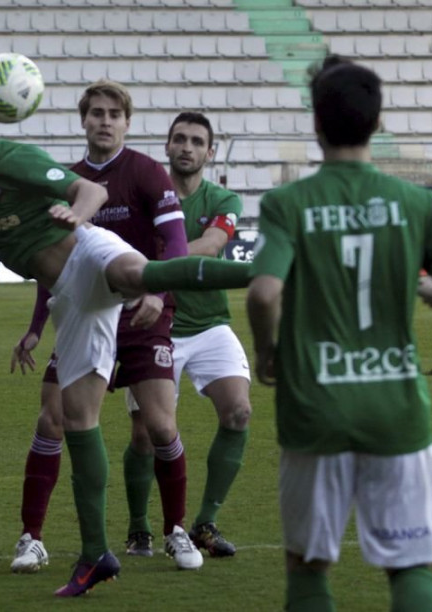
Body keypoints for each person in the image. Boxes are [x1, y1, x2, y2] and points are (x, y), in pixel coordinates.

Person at [0, 96, 248, 596]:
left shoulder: (16, 157)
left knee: (139, 273)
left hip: (87, 251)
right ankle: (95, 554)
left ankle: (269, 275)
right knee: (74, 420)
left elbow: (91, 192)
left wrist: (75, 216)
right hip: (70, 298)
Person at [245, 56, 432, 612]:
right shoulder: (418, 203)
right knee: (410, 567)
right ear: (378, 123)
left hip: (315, 405)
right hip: (395, 410)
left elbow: (263, 293)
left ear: (316, 122)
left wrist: (268, 352)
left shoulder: (288, 203)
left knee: (309, 567)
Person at [6, 79, 204, 574]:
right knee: (51, 419)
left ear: (127, 122)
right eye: (96, 112)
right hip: (82, 315)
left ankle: (176, 529)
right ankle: (32, 538)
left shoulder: (146, 172)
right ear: (84, 120)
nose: (105, 120)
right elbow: (52, 263)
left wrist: (158, 296)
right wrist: (35, 327)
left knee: (160, 426)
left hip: (142, 316)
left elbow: (175, 243)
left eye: (114, 113)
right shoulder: (65, 179)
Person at [156, 111, 252, 557]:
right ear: (168, 146)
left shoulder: (224, 199)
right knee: (150, 433)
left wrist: (152, 261)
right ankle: (141, 528)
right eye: (180, 139)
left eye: (197, 141)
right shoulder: (147, 193)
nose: (187, 147)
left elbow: (212, 247)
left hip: (211, 324)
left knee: (238, 412)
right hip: (158, 325)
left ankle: (205, 523)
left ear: (210, 152)